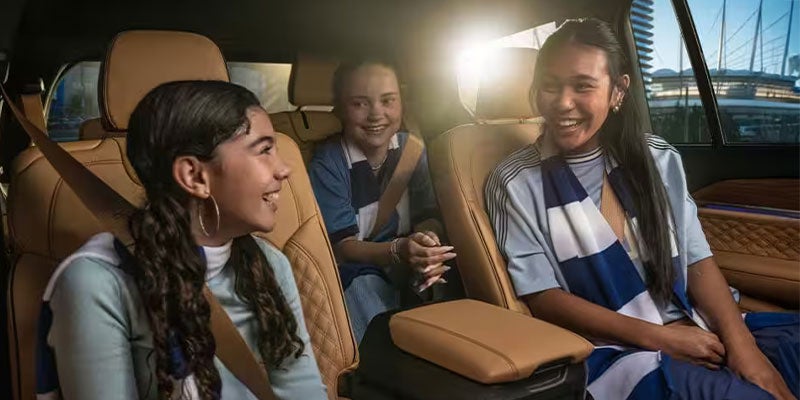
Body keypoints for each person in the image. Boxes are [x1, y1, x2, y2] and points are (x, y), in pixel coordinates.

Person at [485, 18, 798, 400]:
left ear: (617, 92)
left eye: (583, 86)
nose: (563, 102)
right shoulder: (514, 181)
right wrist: (661, 339)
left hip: (693, 321)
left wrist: (745, 350)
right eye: (550, 86)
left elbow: (697, 262)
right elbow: (543, 297)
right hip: (610, 349)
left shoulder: (657, 158)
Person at [37, 81, 327, 400]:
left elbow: (303, 390)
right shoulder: (97, 282)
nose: (284, 169)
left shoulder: (268, 264)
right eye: (264, 150)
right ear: (194, 176)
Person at [309, 60, 456, 342]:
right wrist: (399, 250)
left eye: (388, 101)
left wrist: (427, 240)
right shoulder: (329, 162)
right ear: (339, 109)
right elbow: (342, 247)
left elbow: (428, 214)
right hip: (356, 271)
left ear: (402, 103)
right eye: (360, 104)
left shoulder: (412, 150)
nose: (376, 114)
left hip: (406, 264)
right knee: (360, 285)